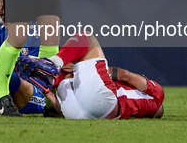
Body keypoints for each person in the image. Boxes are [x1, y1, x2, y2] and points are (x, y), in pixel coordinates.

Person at [18, 33, 165, 120]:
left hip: (105, 100)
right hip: (79, 114)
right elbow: (62, 110)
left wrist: (77, 67)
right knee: (70, 77)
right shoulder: (140, 112)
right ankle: (44, 83)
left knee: (87, 38)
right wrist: (48, 93)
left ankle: (53, 63)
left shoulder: (157, 96)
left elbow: (126, 76)